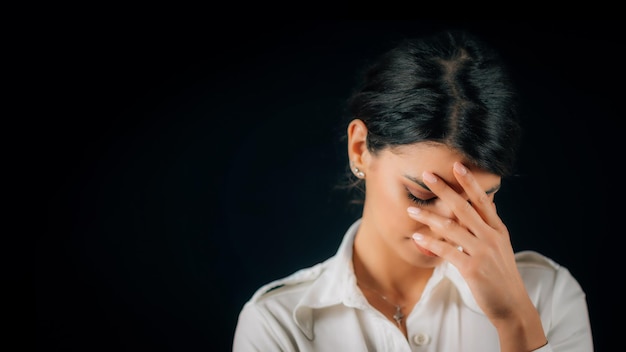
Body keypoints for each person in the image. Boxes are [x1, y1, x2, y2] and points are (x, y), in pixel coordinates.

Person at [232, 29, 593, 351]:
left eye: (480, 200)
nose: (447, 226)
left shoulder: (548, 294)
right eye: (421, 195)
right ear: (359, 148)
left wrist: (516, 322)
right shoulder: (279, 324)